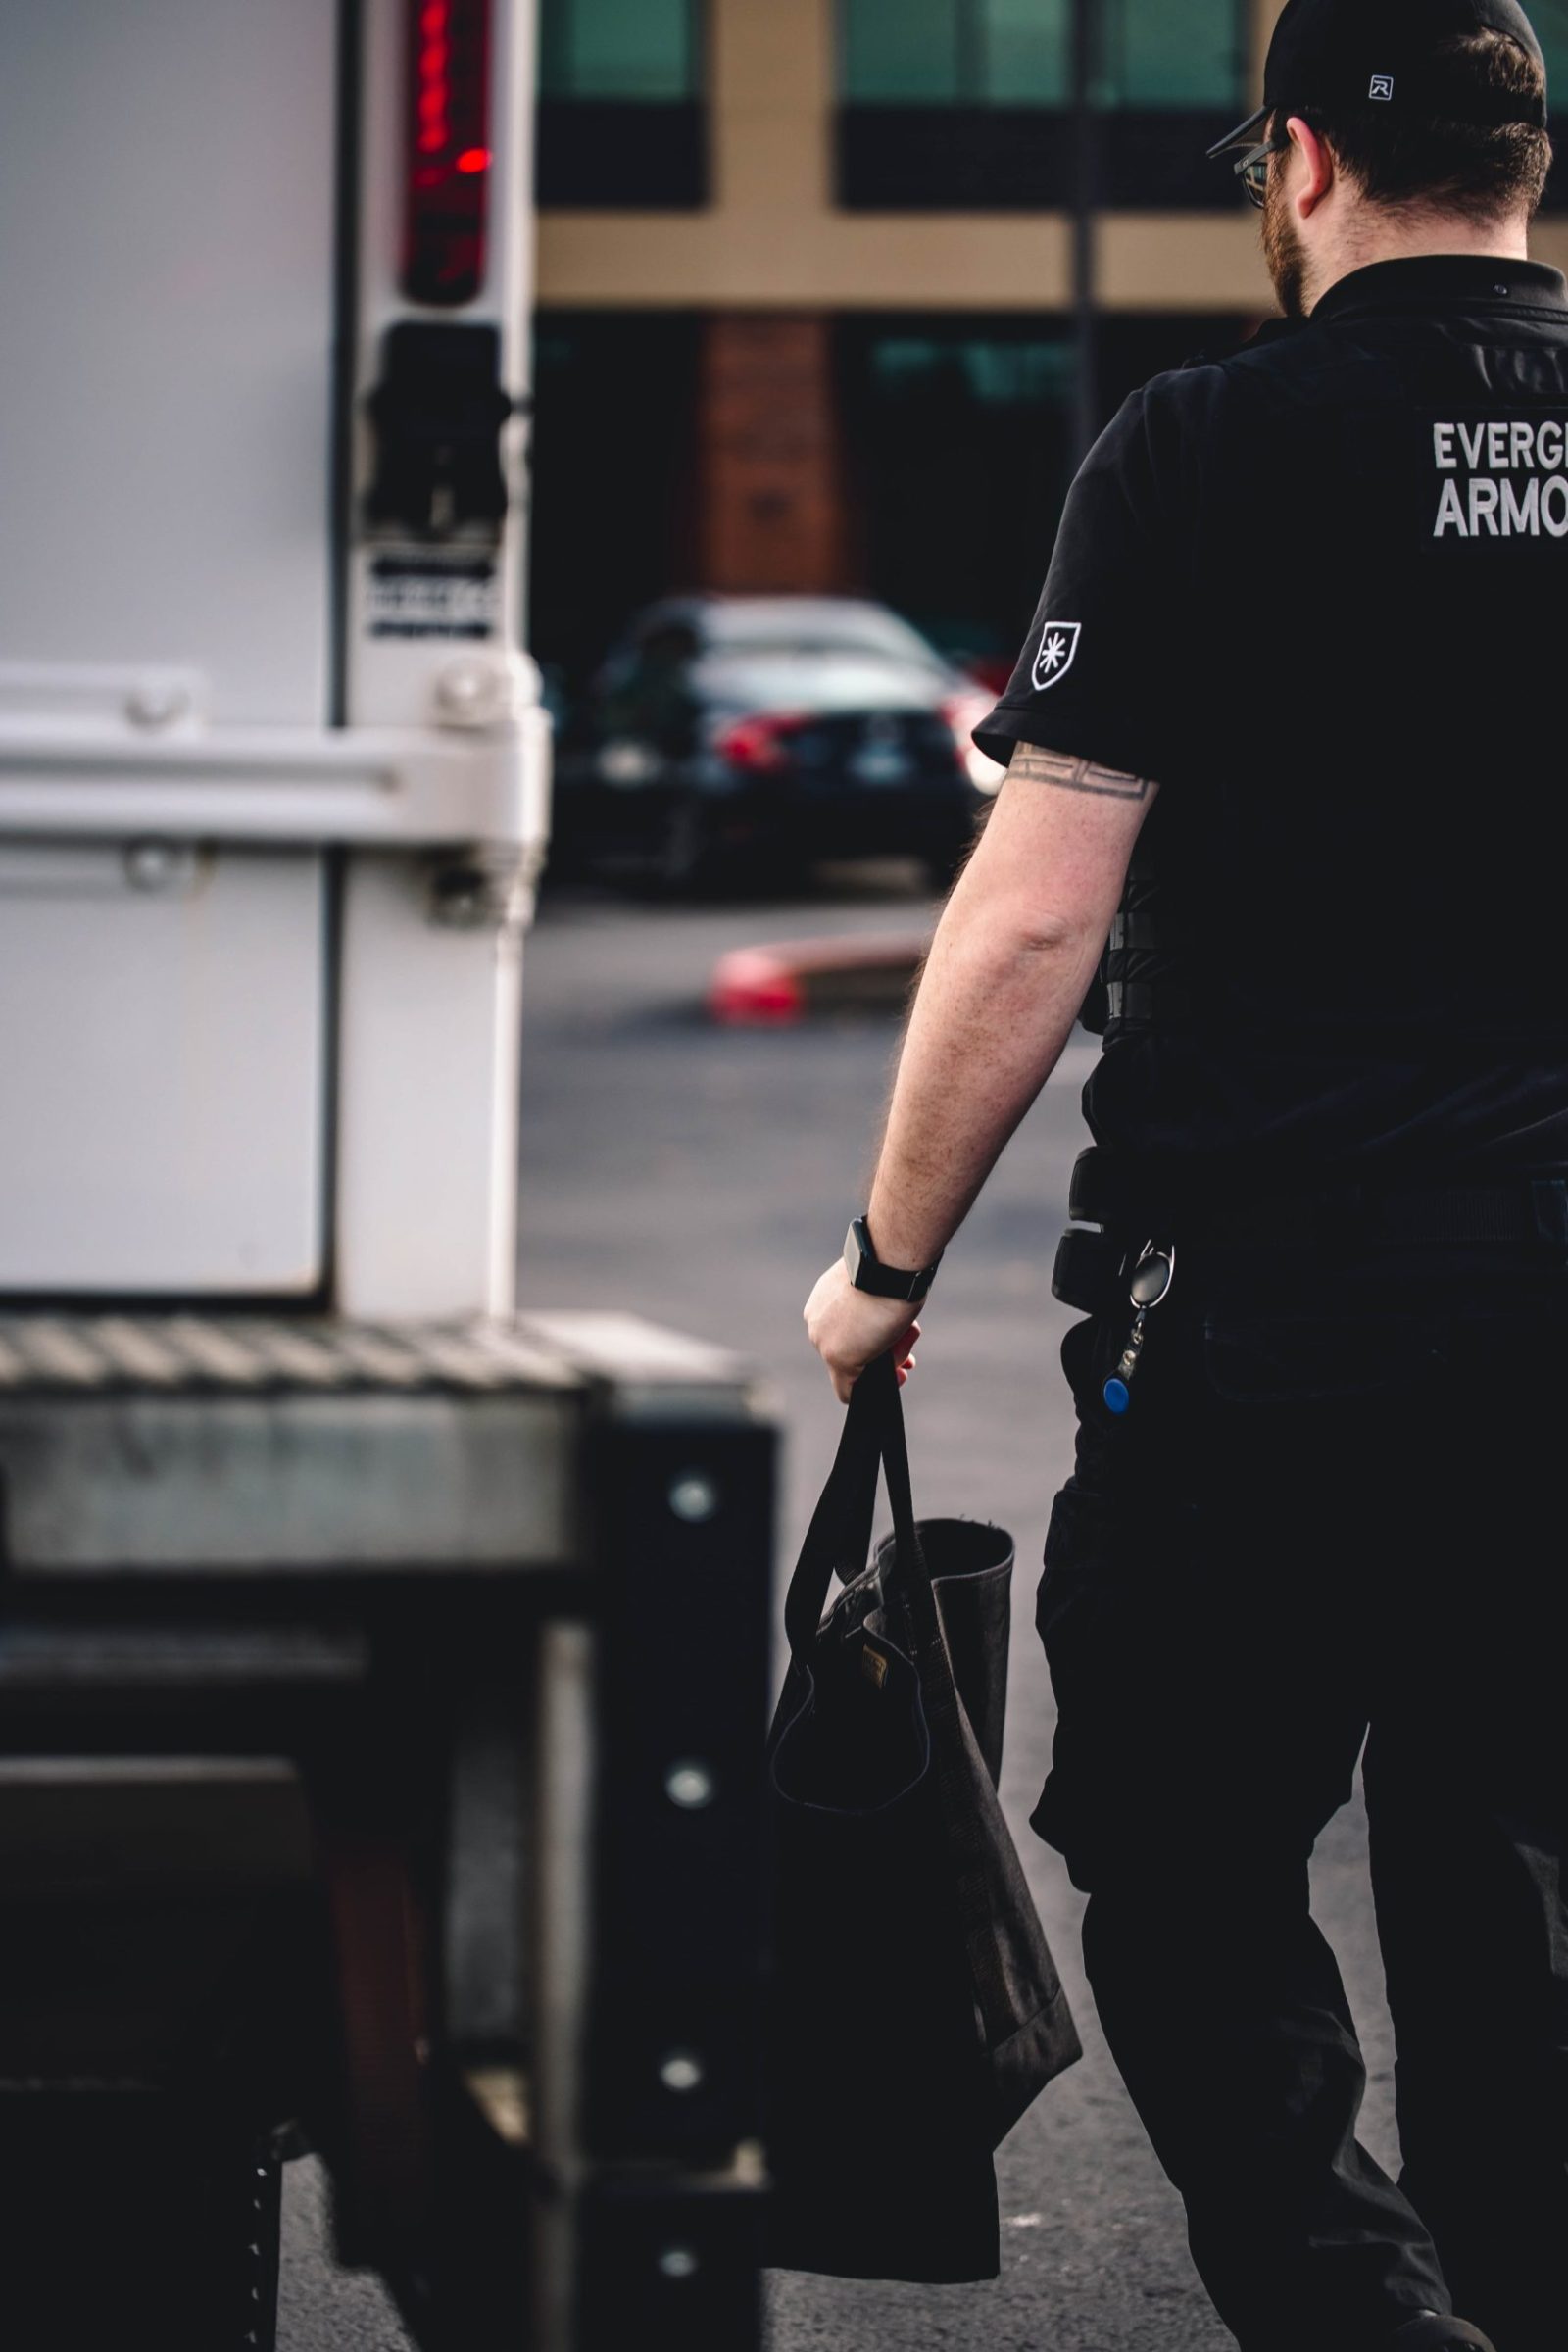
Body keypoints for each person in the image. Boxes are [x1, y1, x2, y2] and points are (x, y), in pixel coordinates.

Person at [804, 5, 1568, 2348]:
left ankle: (1361, 2317)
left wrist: (882, 1260)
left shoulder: (1202, 449)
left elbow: (1032, 911)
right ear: (1527, 165)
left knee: (1175, 1841)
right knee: (1503, 1852)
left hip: (1268, 1315)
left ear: (1304, 160)